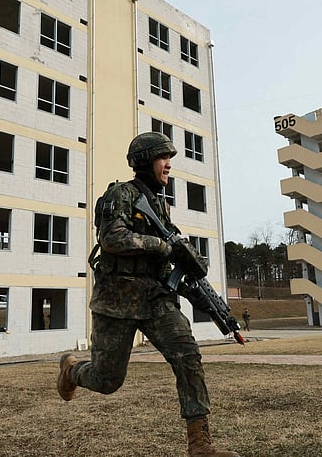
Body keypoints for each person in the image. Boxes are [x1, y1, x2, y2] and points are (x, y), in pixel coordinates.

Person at [56, 132, 239, 457]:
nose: (168, 165)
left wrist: (213, 308)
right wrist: (164, 245)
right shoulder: (121, 194)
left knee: (188, 359)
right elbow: (113, 238)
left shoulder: (159, 204)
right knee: (107, 380)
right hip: (116, 301)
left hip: (156, 299)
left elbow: (169, 268)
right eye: (162, 158)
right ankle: (71, 371)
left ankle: (200, 446)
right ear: (145, 161)